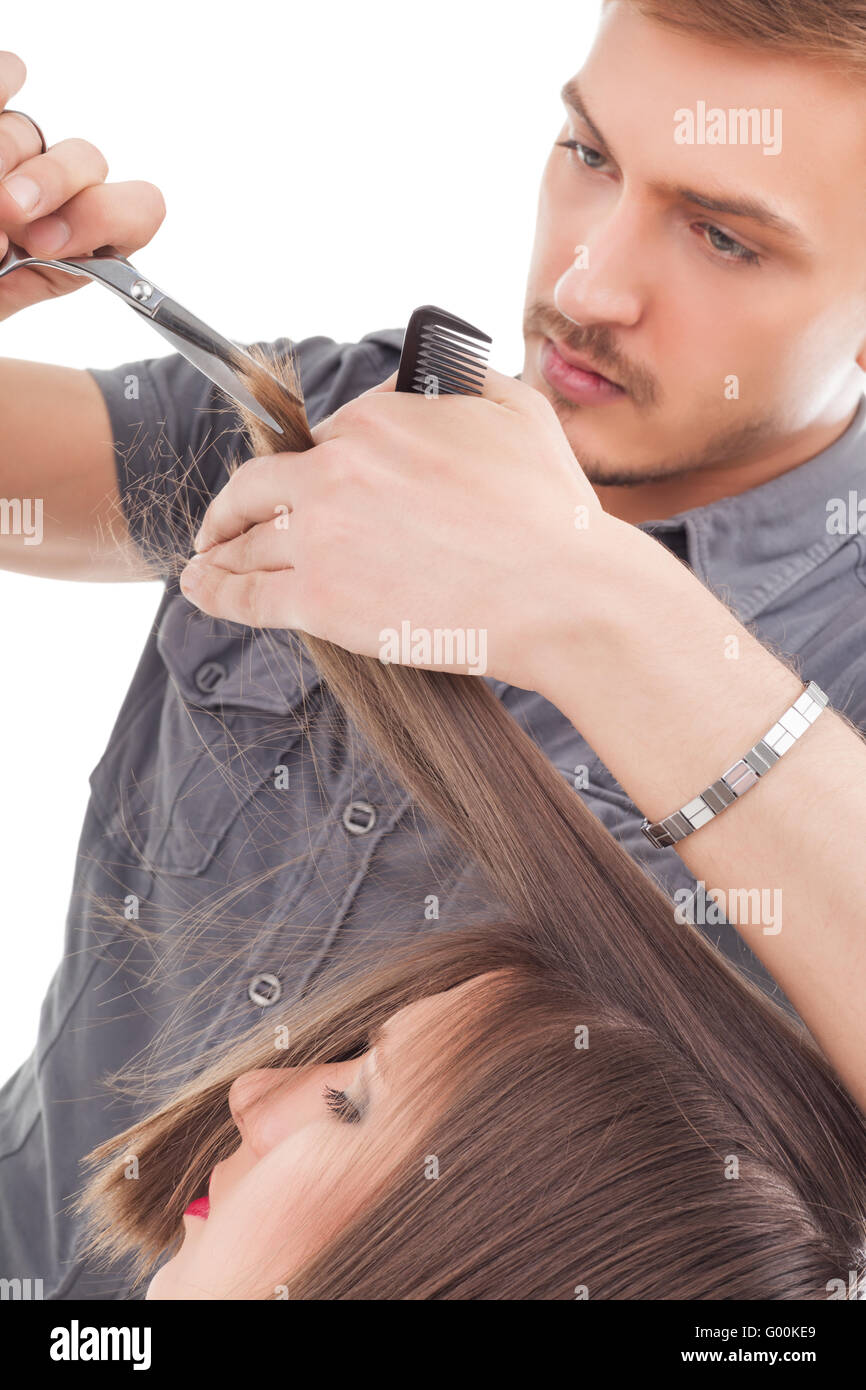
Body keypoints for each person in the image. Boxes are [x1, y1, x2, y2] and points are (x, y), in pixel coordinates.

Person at [1, 0, 865, 1298]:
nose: (581, 284)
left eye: (721, 236)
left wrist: (591, 597)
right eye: (586, 155)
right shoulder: (347, 415)